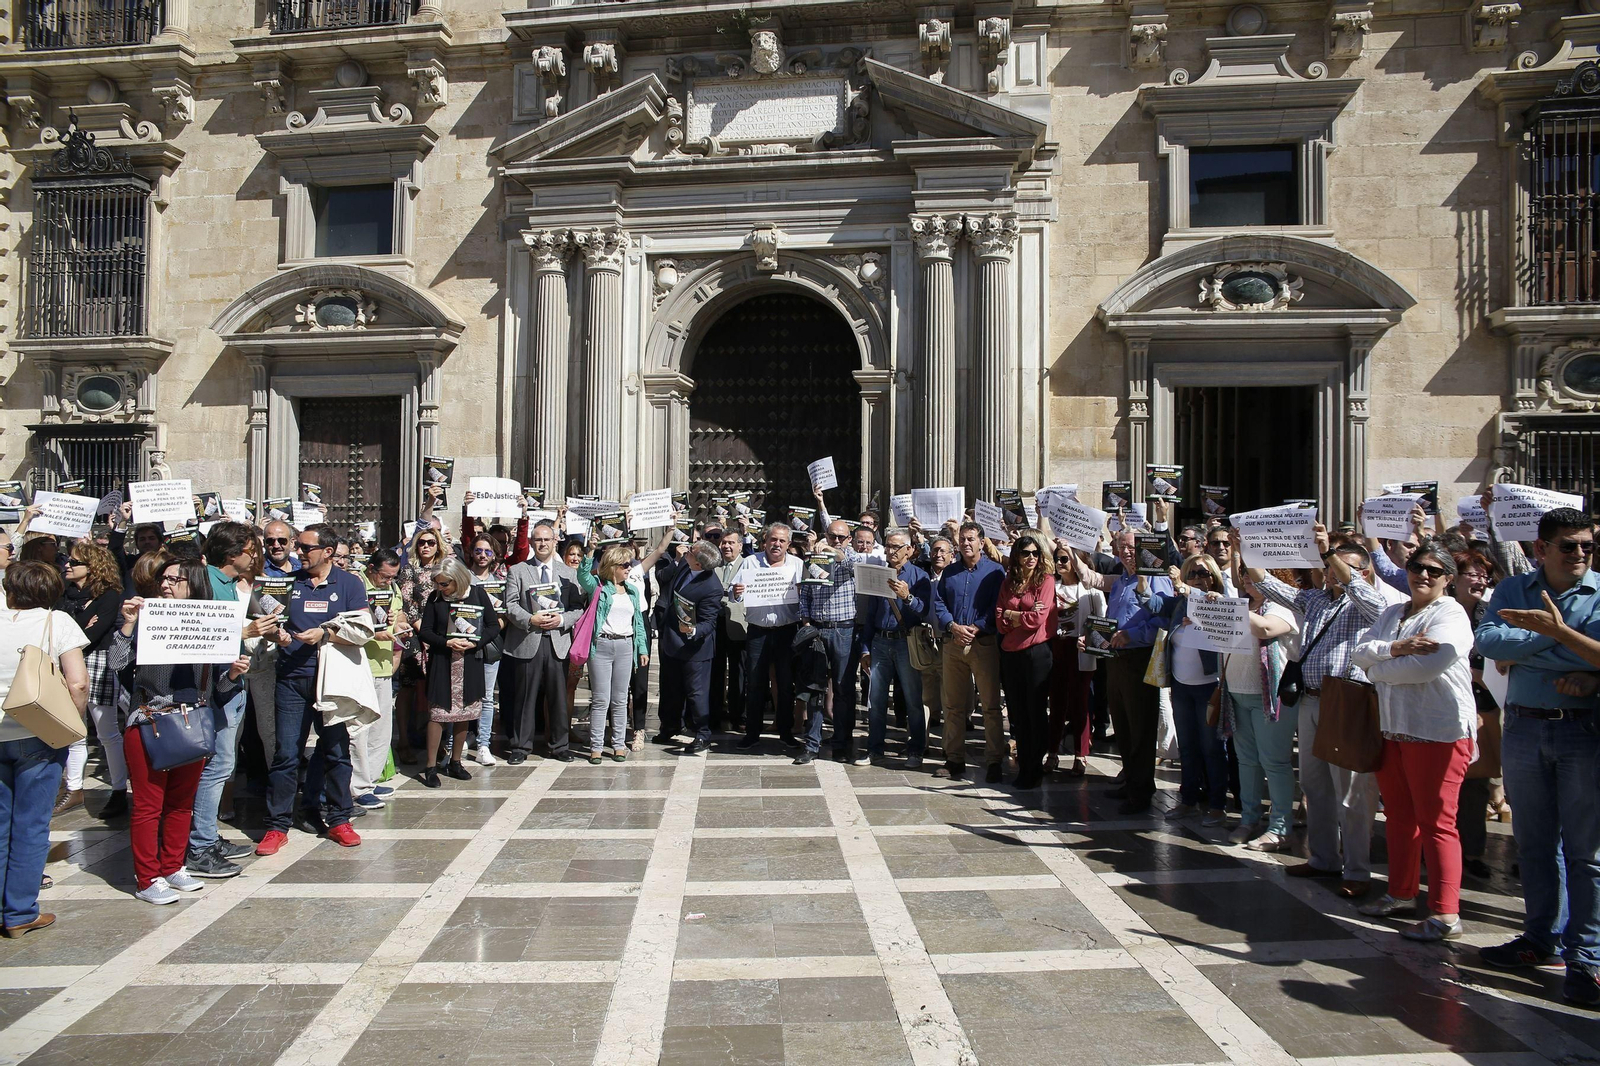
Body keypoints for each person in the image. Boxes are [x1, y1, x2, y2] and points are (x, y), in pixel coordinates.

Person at [1475, 506, 1600, 1005]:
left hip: (1582, 730)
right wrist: (1560, 640)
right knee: (1534, 844)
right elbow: (1488, 641)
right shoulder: (1512, 589)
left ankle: (1586, 957)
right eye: (1569, 546)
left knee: (1586, 852)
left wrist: (1550, 638)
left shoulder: (1599, 591)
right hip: (1525, 727)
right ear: (1541, 548)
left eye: (1587, 545)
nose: (1580, 554)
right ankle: (1539, 937)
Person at [1245, 529, 1391, 898]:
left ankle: (1357, 870)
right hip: (1311, 699)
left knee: (1351, 793)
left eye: (1341, 566)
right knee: (1315, 785)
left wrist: (1329, 553)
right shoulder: (1315, 600)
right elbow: (1270, 586)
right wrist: (1245, 548)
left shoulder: (1370, 602)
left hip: (1346, 700)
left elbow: (1362, 593)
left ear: (1363, 572)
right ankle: (1324, 857)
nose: (1331, 572)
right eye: (1328, 566)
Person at [1347, 539, 1478, 941]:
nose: (1423, 575)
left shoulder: (1451, 614)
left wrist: (1377, 669)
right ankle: (1401, 892)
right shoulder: (1393, 612)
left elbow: (1428, 667)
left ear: (1448, 579)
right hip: (1393, 727)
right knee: (1400, 816)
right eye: (1417, 567)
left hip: (1437, 731)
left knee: (1438, 823)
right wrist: (1396, 648)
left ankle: (1445, 914)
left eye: (1434, 571)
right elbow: (1358, 652)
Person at [112, 555, 250, 905]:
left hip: (193, 724)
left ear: (194, 584)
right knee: (148, 806)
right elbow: (115, 664)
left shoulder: (209, 621)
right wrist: (128, 625)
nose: (165, 584)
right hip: (151, 723)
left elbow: (216, 688)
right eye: (164, 578)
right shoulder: (146, 617)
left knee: (180, 804)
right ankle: (147, 878)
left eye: (175, 579)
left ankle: (173, 866)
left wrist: (232, 674)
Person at [256, 523, 369, 856]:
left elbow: (362, 629)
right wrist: (276, 635)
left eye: (306, 548)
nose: (299, 552)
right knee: (286, 754)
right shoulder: (289, 583)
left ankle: (339, 819)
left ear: (328, 552)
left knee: (336, 751)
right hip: (291, 679)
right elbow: (271, 623)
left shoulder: (349, 583)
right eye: (299, 547)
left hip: (332, 681)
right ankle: (277, 826)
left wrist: (326, 634)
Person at [0, 561, 89, 936]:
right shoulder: (57, 622)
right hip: (38, 733)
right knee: (32, 825)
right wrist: (72, 723)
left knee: (1, 824)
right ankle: (20, 912)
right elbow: (78, 683)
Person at [186, 523, 279, 878]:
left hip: (231, 681)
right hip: (214, 687)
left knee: (222, 764)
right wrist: (245, 631)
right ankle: (199, 846)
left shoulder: (228, 584)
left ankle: (207, 835)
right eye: (251, 550)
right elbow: (197, 632)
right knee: (217, 766)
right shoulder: (205, 582)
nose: (256, 556)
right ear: (232, 553)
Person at [1078, 529, 1175, 814]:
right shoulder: (1121, 580)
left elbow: (1163, 620)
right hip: (1116, 659)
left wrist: (1133, 635)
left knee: (1140, 726)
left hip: (1139, 658)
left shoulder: (1156, 578)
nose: (1126, 552)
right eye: (1121, 547)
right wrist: (1093, 638)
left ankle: (1141, 791)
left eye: (1131, 547)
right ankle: (1131, 779)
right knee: (1122, 725)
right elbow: (1112, 620)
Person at [1129, 553, 1231, 824]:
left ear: (1214, 577)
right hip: (1182, 686)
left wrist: (1186, 591)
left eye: (1203, 573)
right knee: (1187, 746)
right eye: (1192, 573)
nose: (1198, 578)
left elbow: (1224, 621)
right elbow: (1152, 602)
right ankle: (1188, 800)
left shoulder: (1218, 601)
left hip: (1209, 687)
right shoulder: (1179, 604)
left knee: (1212, 748)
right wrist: (1142, 580)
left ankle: (1218, 805)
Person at [1220, 564, 1299, 853]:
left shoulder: (1283, 606)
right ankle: (1249, 818)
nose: (1246, 578)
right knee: (1246, 760)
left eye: (1252, 573)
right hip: (1237, 693)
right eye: (1243, 574)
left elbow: (1266, 628)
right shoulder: (1244, 604)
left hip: (1270, 698)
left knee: (1274, 762)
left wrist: (1229, 608)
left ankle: (1280, 828)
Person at [501, 520, 584, 764]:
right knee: (525, 696)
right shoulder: (518, 571)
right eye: (538, 539)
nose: (543, 543)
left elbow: (578, 607)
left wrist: (561, 620)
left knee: (559, 697)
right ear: (531, 542)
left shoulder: (568, 573)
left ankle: (560, 746)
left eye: (547, 539)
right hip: (528, 639)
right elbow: (510, 604)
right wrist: (530, 619)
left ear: (555, 541)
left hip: (558, 641)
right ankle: (520, 746)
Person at [931, 522, 1005, 782]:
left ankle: (994, 760)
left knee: (990, 706)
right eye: (962, 539)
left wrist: (977, 626)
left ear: (981, 542)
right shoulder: (950, 572)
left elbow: (997, 606)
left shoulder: (995, 572)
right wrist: (952, 625)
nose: (965, 543)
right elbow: (939, 602)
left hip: (982, 644)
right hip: (953, 644)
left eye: (971, 539)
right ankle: (954, 758)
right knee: (953, 705)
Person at [417, 558, 499, 787]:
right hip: (443, 661)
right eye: (437, 583)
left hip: (470, 661)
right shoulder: (435, 599)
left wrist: (476, 643)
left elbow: (493, 626)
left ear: (458, 580)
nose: (440, 588)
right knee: (438, 714)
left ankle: (456, 761)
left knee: (465, 713)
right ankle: (431, 766)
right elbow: (425, 631)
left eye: (444, 584)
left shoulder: (477, 595)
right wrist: (446, 642)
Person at [56, 543, 125, 818]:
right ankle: (74, 789)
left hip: (98, 662)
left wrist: (76, 626)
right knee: (73, 730)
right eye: (68, 560)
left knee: (107, 731)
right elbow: (62, 628)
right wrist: (82, 622)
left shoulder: (109, 595)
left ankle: (119, 791)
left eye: (74, 562)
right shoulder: (63, 593)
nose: (67, 565)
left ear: (93, 567)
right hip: (66, 662)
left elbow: (90, 635)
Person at [855, 529, 932, 768]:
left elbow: (924, 611)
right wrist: (865, 648)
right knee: (876, 699)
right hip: (880, 641)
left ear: (909, 550)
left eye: (896, 547)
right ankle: (874, 749)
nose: (890, 551)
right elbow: (871, 614)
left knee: (912, 699)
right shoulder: (879, 573)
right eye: (887, 546)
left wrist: (907, 597)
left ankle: (916, 749)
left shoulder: (919, 576)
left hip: (906, 641)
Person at [1450, 548, 1502, 878]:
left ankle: (1472, 851)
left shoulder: (1492, 614)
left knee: (1476, 783)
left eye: (1485, 575)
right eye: (1473, 574)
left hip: (1484, 707)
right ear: (1453, 578)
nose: (1481, 580)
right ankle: (1439, 847)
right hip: (1446, 706)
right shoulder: (1440, 610)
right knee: (1444, 783)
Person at [731, 523, 805, 751]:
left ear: (788, 544)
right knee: (755, 683)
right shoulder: (750, 562)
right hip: (757, 632)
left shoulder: (797, 564)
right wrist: (736, 592)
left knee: (785, 684)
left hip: (786, 631)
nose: (777, 544)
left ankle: (785, 732)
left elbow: (807, 596)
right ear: (765, 541)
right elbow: (734, 594)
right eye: (773, 539)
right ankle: (752, 733)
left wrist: (801, 592)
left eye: (782, 541)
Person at [797, 520, 863, 762]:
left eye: (841, 537)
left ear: (849, 539)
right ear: (826, 534)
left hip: (843, 630)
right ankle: (811, 744)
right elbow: (805, 591)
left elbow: (851, 564)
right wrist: (806, 622)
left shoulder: (853, 556)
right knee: (814, 688)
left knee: (843, 689)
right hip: (817, 628)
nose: (836, 541)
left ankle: (842, 743)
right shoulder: (814, 558)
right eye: (832, 536)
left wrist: (833, 552)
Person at [996, 531, 1056, 788]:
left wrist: (1013, 615)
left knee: (1035, 710)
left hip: (1036, 652)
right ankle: (1024, 764)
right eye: (1025, 553)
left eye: (1035, 553)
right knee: (1017, 712)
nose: (1031, 557)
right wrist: (1021, 614)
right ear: (1017, 556)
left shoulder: (1046, 581)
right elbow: (999, 619)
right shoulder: (1008, 582)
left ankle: (1034, 766)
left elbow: (1038, 620)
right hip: (1011, 652)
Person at [580, 545, 651, 763]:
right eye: (625, 565)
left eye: (630, 564)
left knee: (620, 699)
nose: (629, 568)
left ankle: (619, 744)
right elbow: (583, 576)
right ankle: (596, 746)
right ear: (613, 566)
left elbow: (638, 623)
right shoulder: (598, 587)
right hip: (602, 644)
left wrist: (642, 648)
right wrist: (589, 553)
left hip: (625, 645)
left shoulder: (632, 591)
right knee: (601, 699)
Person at [655, 539, 724, 756]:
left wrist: (693, 630)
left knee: (696, 693)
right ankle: (670, 726)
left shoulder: (712, 587)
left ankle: (703, 734)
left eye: (691, 551)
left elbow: (709, 622)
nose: (688, 550)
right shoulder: (685, 564)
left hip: (695, 649)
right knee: (670, 688)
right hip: (671, 640)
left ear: (699, 564)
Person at [353, 549, 406, 810]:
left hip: (384, 665)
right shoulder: (356, 585)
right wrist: (375, 634)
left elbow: (399, 613)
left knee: (381, 729)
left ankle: (371, 780)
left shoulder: (392, 587)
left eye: (393, 577)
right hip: (361, 665)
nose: (388, 581)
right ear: (371, 568)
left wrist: (400, 626)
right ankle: (357, 786)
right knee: (359, 730)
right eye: (385, 576)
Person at [1047, 543, 1105, 778]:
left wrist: (1089, 638)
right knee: (1056, 703)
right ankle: (1052, 752)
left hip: (1080, 650)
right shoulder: (1051, 587)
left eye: (1065, 559)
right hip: (1056, 648)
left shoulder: (1091, 591)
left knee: (1080, 703)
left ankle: (1081, 754)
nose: (1060, 563)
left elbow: (1102, 622)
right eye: (1057, 559)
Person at [465, 533, 508, 767]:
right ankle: (457, 740)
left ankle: (484, 744)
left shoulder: (499, 582)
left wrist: (486, 635)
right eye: (479, 551)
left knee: (487, 697)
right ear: (471, 552)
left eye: (488, 551)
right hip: (463, 644)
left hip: (489, 645)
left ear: (494, 555)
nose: (483, 555)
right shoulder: (463, 578)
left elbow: (503, 616)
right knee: (462, 694)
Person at [711, 529, 748, 736]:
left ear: (740, 546)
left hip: (738, 625)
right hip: (715, 625)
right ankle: (715, 714)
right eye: (724, 542)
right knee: (715, 672)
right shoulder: (713, 565)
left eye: (731, 543)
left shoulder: (748, 565)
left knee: (738, 673)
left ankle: (739, 716)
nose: (726, 546)